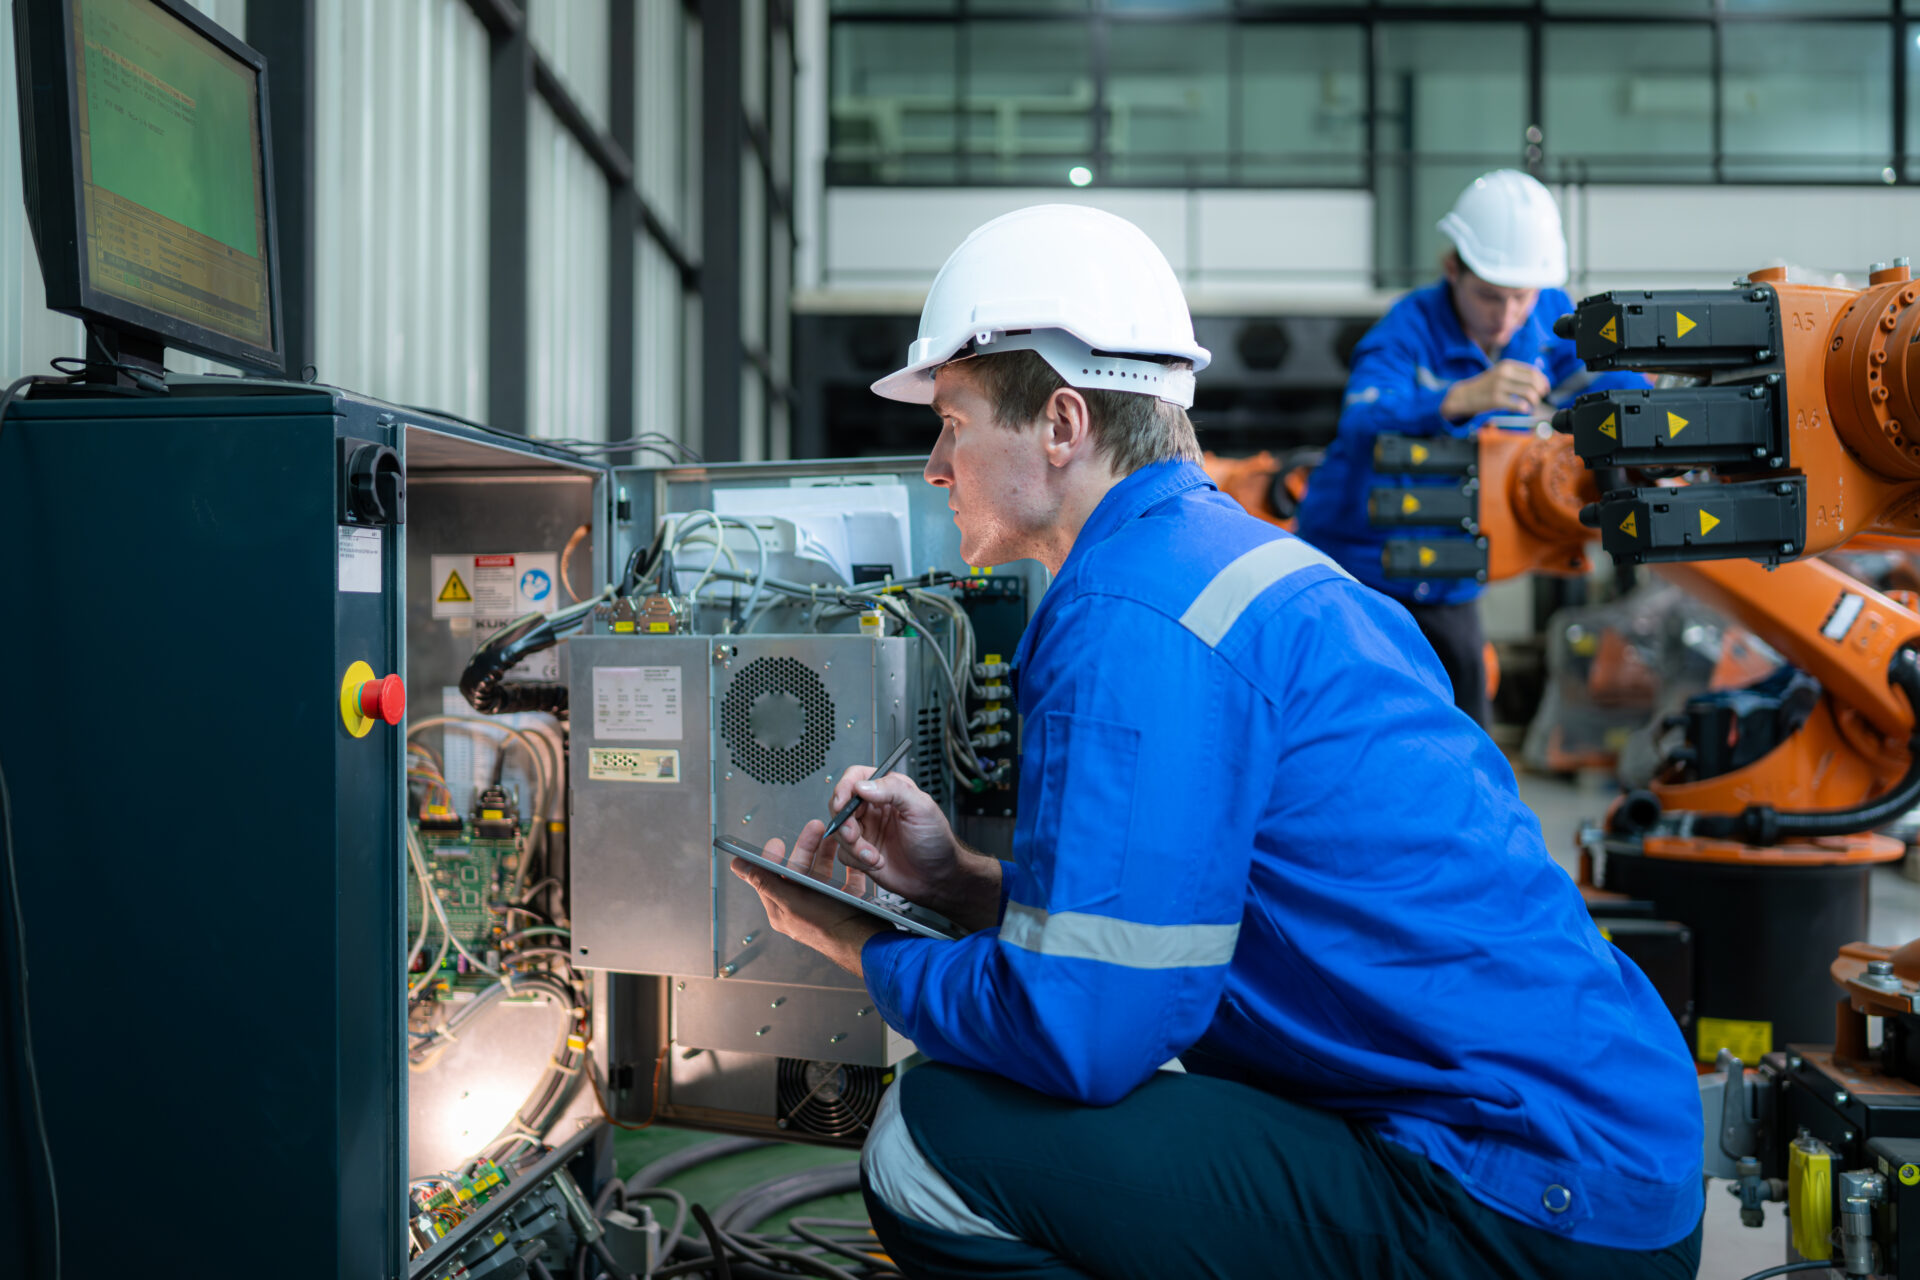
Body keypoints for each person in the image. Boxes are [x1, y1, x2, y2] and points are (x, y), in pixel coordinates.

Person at [731, 204, 1702, 1279]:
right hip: (1613, 1155)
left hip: (1519, 1197)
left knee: (926, 1136)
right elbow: (1181, 923)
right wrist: (961, 885)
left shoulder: (1128, 616)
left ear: (1061, 426)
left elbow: (1090, 1029)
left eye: (952, 422)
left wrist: (865, 948)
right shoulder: (1259, 570)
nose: (933, 465)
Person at [1295, 169, 1650, 725]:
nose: (1507, 317)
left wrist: (1654, 415)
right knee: (1347, 724)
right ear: (1451, 268)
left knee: (1465, 731)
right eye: (1489, 297)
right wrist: (1459, 398)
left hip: (1447, 570)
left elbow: (1606, 377)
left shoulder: (1543, 314)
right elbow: (1362, 419)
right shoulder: (1406, 330)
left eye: (1520, 298)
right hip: (1355, 563)